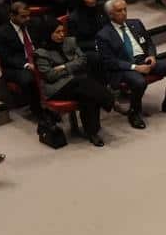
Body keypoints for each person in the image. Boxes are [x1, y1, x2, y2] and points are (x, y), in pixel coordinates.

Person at [95, 0, 166, 128]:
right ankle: (134, 112)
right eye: (119, 11)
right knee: (139, 82)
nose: (124, 13)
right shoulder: (103, 35)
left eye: (125, 9)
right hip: (125, 67)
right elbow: (109, 61)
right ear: (110, 14)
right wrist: (135, 67)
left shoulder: (136, 23)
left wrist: (152, 56)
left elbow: (149, 43)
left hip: (143, 59)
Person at [35, 19, 114, 147]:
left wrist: (63, 67)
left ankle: (92, 132)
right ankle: (110, 100)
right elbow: (50, 76)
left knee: (88, 95)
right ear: (48, 33)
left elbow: (83, 60)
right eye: (57, 32)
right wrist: (72, 66)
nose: (62, 35)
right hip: (57, 89)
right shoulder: (41, 53)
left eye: (62, 31)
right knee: (85, 83)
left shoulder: (70, 41)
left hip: (77, 84)